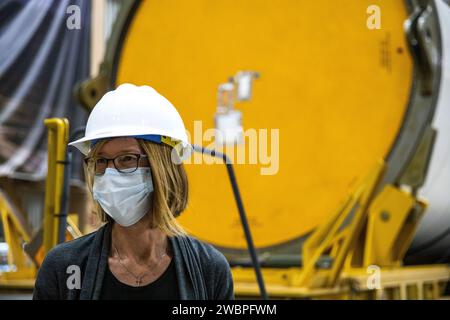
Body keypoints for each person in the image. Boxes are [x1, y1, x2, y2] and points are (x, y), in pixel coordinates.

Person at [33, 83, 234, 300]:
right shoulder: (63, 267)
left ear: (163, 168)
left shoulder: (208, 269)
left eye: (127, 158)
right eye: (101, 160)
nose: (110, 173)